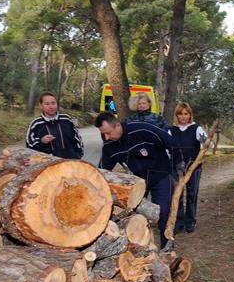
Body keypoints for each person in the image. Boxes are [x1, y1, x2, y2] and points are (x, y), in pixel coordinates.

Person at [95, 112, 176, 249]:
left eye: (108, 133)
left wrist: (177, 165)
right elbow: (103, 170)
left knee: (163, 212)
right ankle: (140, 247)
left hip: (160, 175)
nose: (106, 137)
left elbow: (171, 143)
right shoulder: (109, 145)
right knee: (134, 215)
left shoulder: (142, 129)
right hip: (138, 181)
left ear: (118, 126)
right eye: (103, 134)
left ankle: (167, 246)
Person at [169, 102, 207, 233]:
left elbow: (207, 144)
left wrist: (199, 157)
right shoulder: (171, 130)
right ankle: (179, 222)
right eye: (180, 114)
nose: (183, 117)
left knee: (192, 194)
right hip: (176, 168)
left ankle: (190, 221)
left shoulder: (197, 129)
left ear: (190, 115)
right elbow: (167, 148)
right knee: (177, 194)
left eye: (186, 114)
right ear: (177, 116)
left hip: (193, 168)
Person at [25, 92, 84, 159]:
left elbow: (77, 138)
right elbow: (29, 145)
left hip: (70, 162)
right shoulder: (36, 124)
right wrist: (41, 141)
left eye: (53, 103)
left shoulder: (66, 119)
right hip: (48, 165)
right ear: (41, 105)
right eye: (47, 104)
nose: (51, 106)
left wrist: (78, 155)